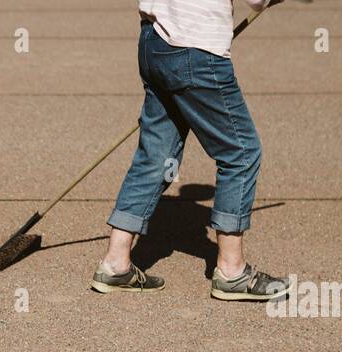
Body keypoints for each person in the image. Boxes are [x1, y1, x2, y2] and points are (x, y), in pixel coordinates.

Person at [92, 0, 289, 301]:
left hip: (154, 42)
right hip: (196, 48)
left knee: (156, 157)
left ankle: (115, 263)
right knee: (241, 153)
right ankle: (232, 271)